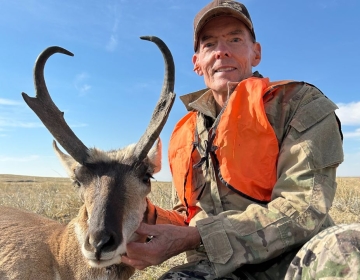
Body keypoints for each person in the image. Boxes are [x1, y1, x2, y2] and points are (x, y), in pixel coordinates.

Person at [122, 1, 360, 279]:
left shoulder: (298, 105)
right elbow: (185, 216)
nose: (222, 51)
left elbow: (303, 208)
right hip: (218, 268)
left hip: (299, 261)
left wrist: (196, 237)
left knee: (348, 247)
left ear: (255, 53)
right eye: (209, 44)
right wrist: (137, 217)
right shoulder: (183, 134)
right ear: (197, 63)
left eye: (235, 39)